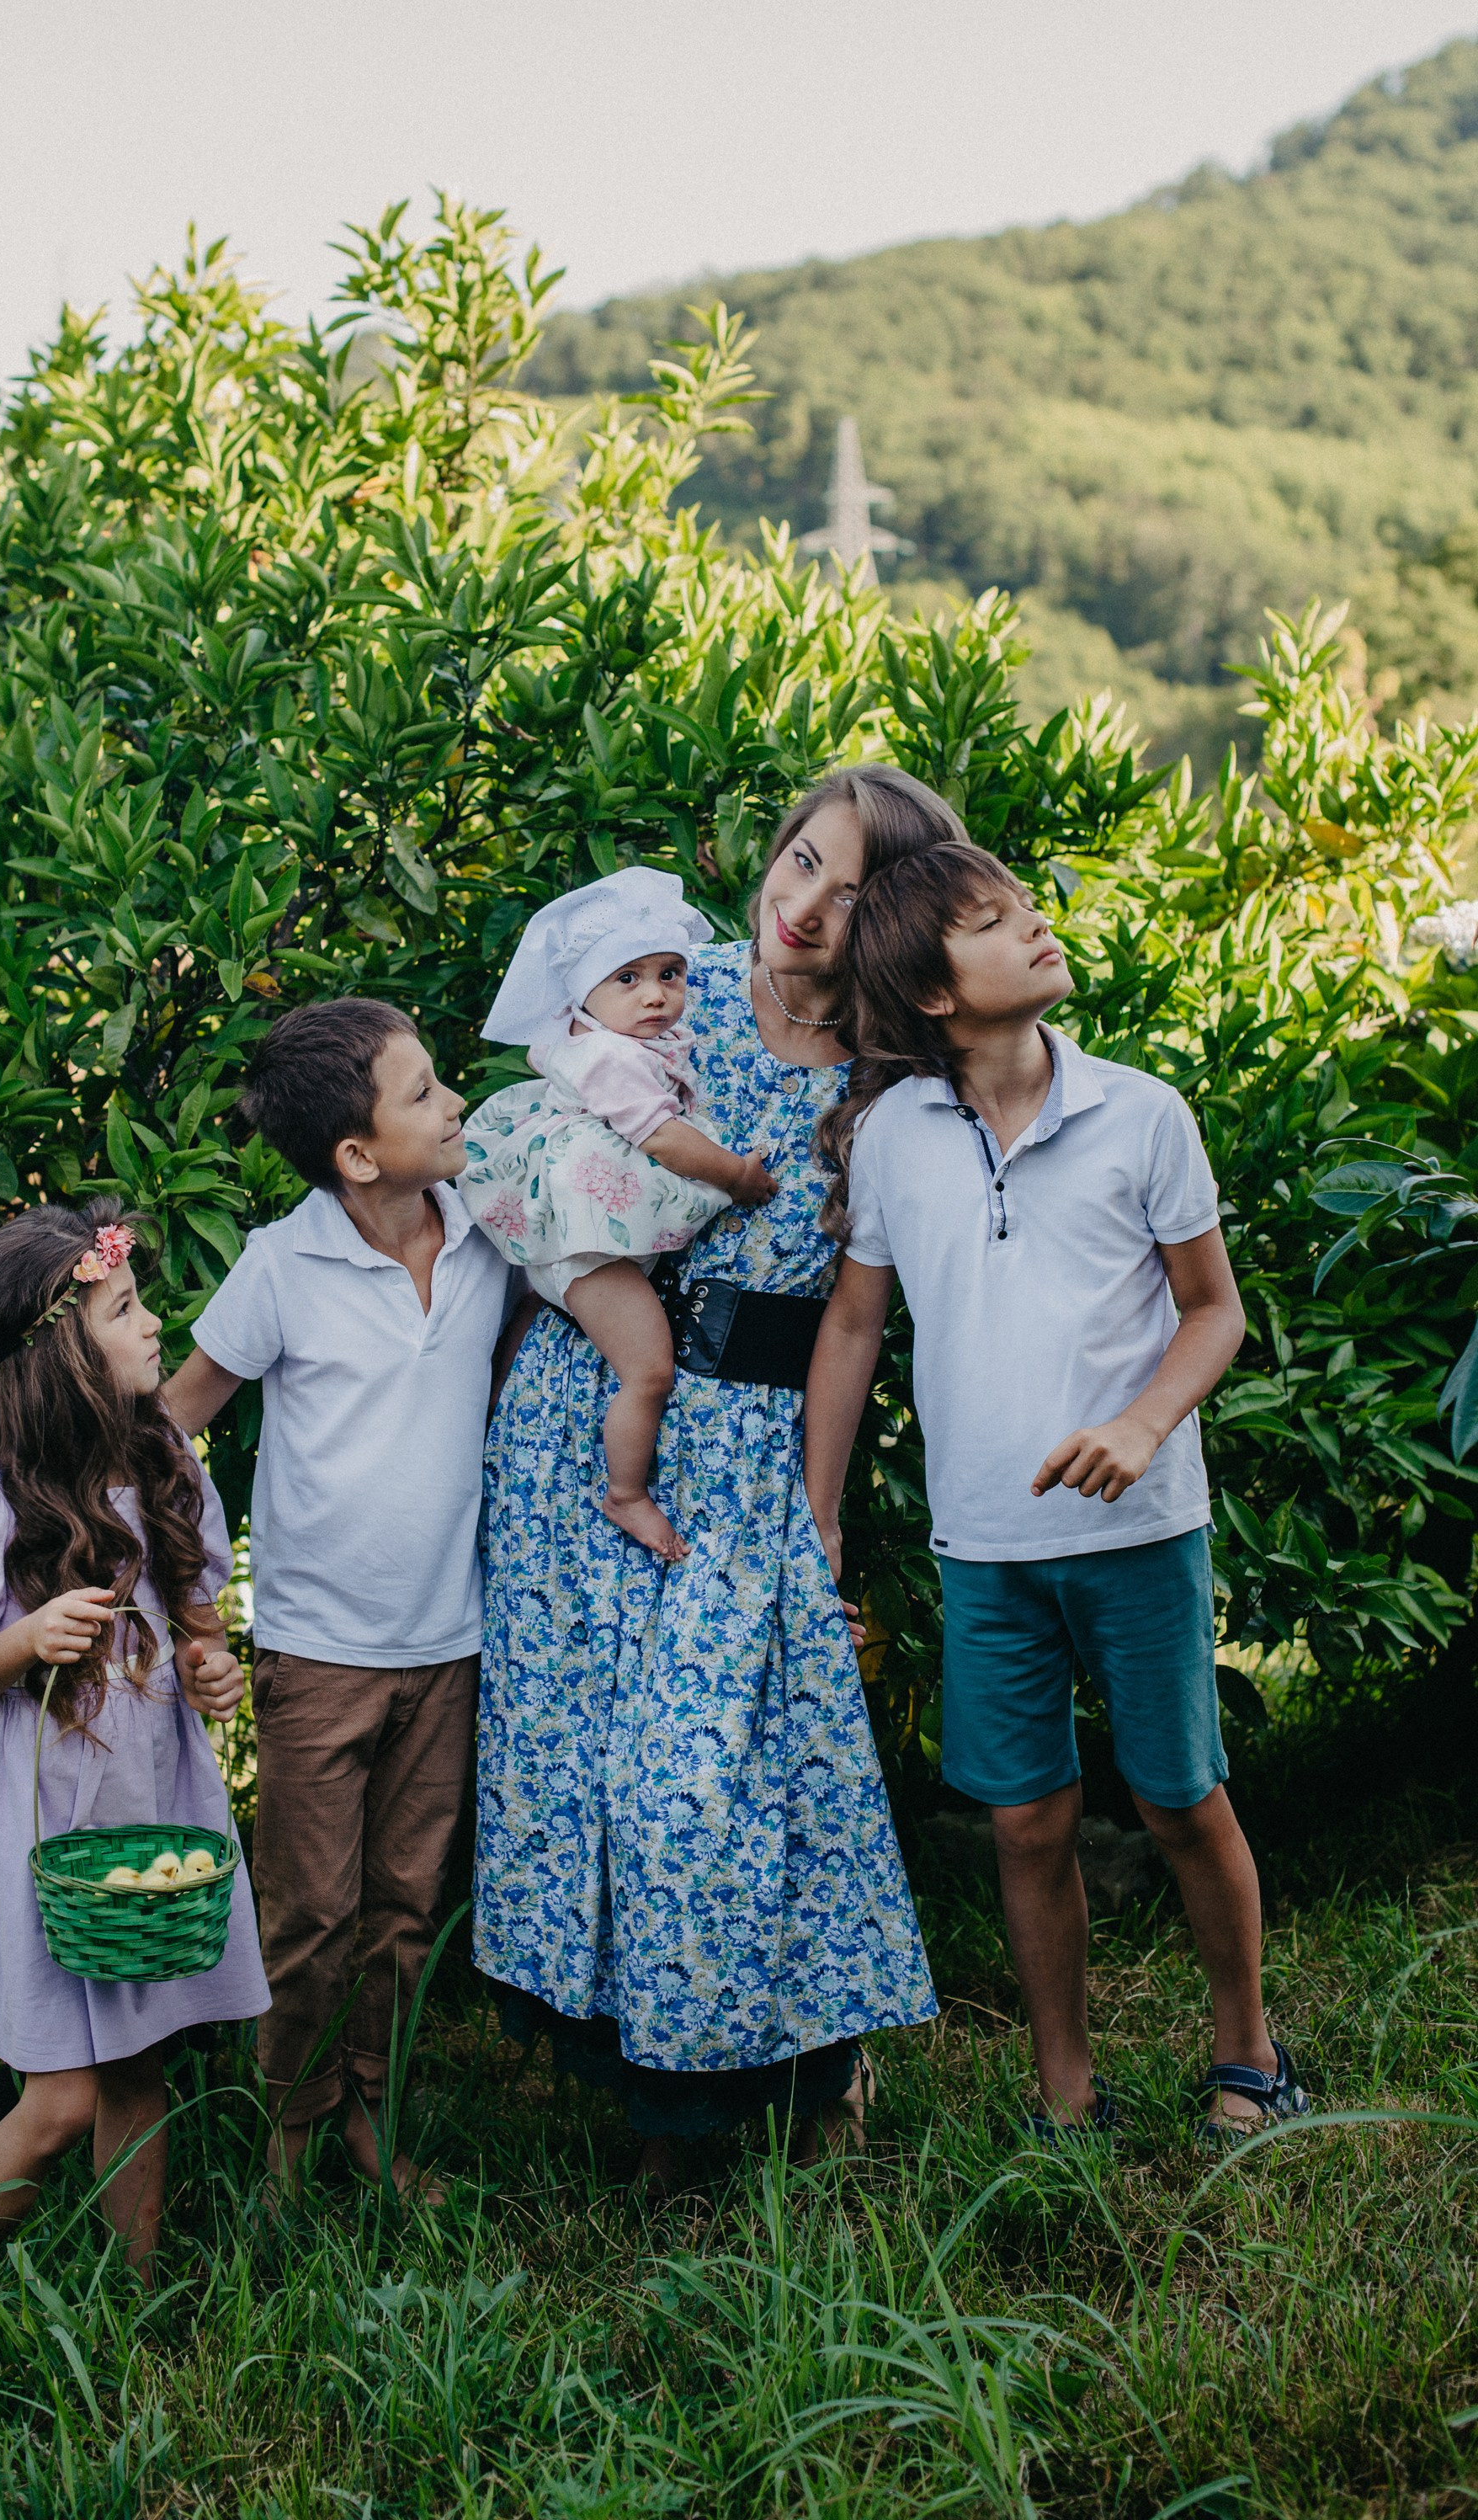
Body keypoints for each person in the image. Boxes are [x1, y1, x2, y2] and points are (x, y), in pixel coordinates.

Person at [475, 768, 949, 2186]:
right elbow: (531, 1165)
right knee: (587, 1770)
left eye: (850, 891)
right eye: (800, 861)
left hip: (745, 1452)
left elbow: (851, 1323)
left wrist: (823, 1512)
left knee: (711, 1777)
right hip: (587, 1420)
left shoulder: (893, 1083)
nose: (803, 908)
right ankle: (660, 2112)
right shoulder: (663, 998)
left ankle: (804, 2068)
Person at [804, 840, 1307, 2140]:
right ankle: (1064, 2091)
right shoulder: (892, 1136)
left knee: (1179, 1798)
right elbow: (854, 1326)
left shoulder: (1142, 1112)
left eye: (1027, 909)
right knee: (1027, 1823)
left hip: (1141, 1530)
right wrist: (820, 1510)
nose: (1037, 928)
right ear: (933, 994)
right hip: (984, 1546)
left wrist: (1143, 1424)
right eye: (994, 922)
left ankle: (1250, 2056)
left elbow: (1213, 1310)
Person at [161, 999, 520, 2198]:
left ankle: (371, 2116)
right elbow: (168, 1430)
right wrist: (194, 1611)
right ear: (358, 1157)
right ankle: (289, 2136)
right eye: (423, 1093)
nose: (455, 1103)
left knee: (405, 1908)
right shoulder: (282, 1264)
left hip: (449, 1639)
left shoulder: (490, 1234)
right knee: (311, 1913)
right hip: (318, 1650)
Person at [0, 1200, 267, 2278]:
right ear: (62, 1350)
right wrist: (27, 1637)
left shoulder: (162, 1458)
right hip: (48, 1805)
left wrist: (212, 1667)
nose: (155, 1324)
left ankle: (133, 2290)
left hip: (151, 1790)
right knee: (60, 2096)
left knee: (141, 2063)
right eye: (125, 1308)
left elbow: (199, 1626)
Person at [460, 865, 779, 1563]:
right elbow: (662, 1137)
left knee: (537, 1318)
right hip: (590, 1251)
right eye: (627, 978)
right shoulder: (609, 1056)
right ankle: (626, 1493)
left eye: (670, 974)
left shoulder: (615, 1040)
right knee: (649, 1371)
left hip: (580, 1243)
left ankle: (491, 1413)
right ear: (585, 993)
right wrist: (738, 1177)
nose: (656, 994)